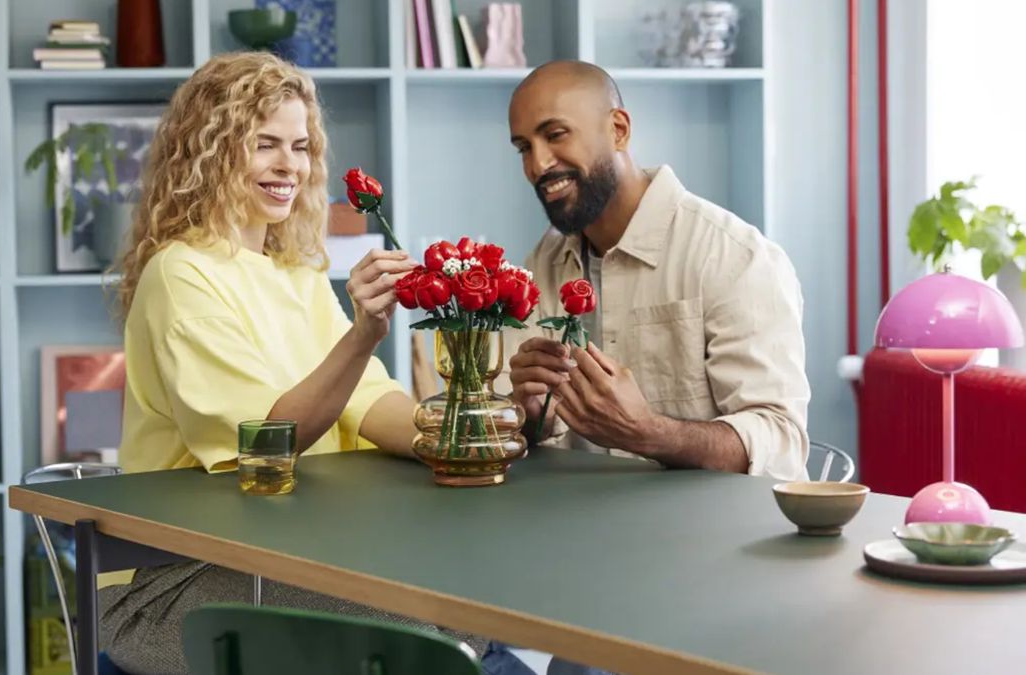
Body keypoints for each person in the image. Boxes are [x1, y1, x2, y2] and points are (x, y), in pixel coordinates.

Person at [100, 51, 475, 673]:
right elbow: (266, 443)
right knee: (426, 642)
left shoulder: (296, 273)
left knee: (468, 609)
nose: (289, 166)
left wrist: (464, 435)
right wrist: (364, 334)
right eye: (264, 144)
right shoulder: (181, 274)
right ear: (210, 150)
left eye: (300, 147)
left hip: (300, 551)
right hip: (183, 581)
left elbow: (370, 402)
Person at [504, 59, 811, 481]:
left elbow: (781, 443)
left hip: (712, 539)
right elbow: (522, 429)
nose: (538, 165)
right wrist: (530, 416)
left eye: (555, 135)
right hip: (576, 529)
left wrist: (649, 433)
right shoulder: (542, 264)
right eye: (524, 148)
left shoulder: (736, 258)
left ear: (619, 130)